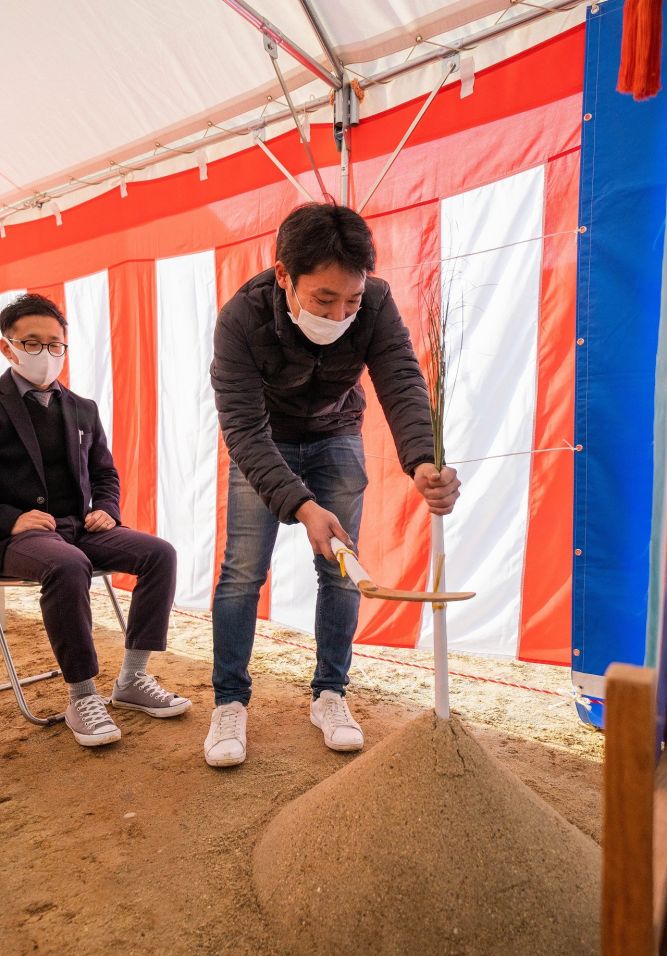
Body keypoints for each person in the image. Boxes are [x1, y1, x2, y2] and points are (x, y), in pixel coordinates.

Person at [205, 204, 460, 768]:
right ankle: (229, 701)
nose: (340, 313)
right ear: (283, 276)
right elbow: (243, 430)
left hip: (336, 433)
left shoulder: (376, 304)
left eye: (350, 300)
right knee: (242, 572)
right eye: (323, 300)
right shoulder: (240, 320)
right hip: (264, 441)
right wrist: (300, 504)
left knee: (344, 570)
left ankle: (330, 693)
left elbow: (399, 377)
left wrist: (422, 459)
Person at [0, 293, 191, 748]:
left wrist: (106, 509)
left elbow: (105, 473)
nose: (45, 354)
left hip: (80, 527)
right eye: (32, 343)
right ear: (7, 347)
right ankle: (82, 696)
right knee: (66, 566)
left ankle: (132, 679)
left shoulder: (83, 407)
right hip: (17, 537)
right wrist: (11, 519)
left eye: (55, 345)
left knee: (159, 554)